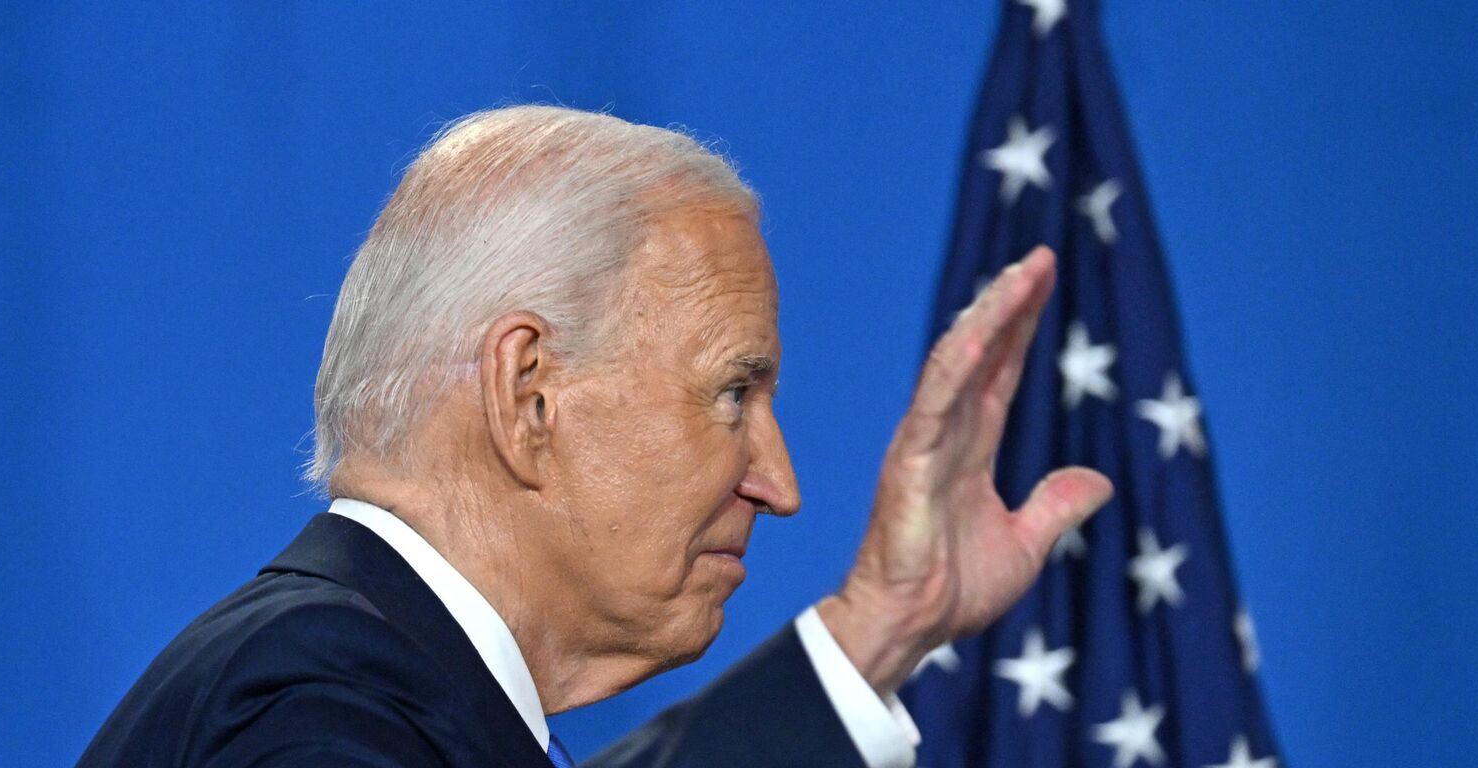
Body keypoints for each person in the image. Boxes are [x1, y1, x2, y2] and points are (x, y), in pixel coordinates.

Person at [77, 105, 1112, 768]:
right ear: (529, 395)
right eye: (733, 394)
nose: (780, 482)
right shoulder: (310, 703)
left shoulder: (375, 686)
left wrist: (882, 626)